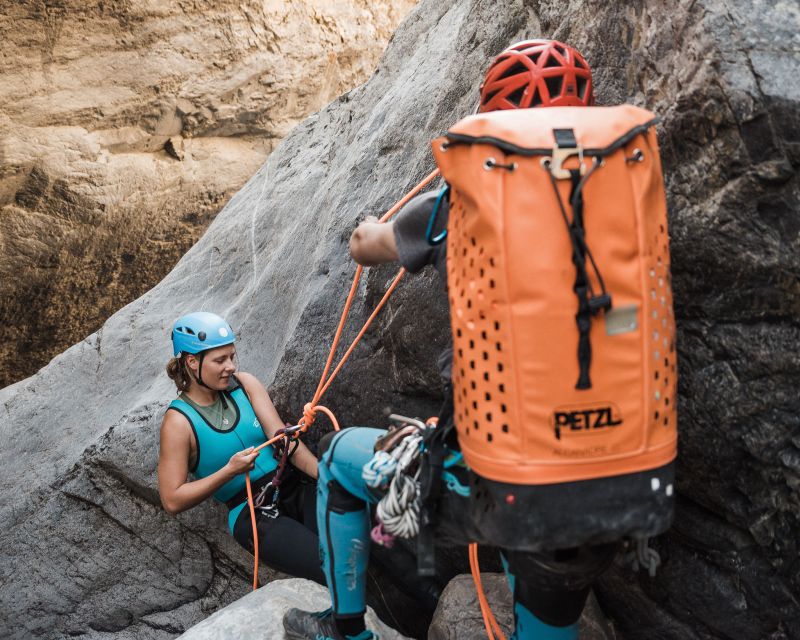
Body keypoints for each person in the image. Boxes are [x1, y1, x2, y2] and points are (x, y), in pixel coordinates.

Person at [283, 40, 617, 640]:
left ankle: (346, 631)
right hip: (598, 477)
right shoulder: (615, 204)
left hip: (488, 470)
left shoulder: (460, 203)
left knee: (336, 461)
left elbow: (366, 244)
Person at [157, 311, 325, 583]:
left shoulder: (245, 386)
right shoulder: (178, 423)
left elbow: (285, 443)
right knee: (324, 563)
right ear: (191, 362)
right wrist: (229, 471)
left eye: (232, 357)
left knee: (358, 541)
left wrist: (326, 475)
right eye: (220, 360)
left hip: (292, 486)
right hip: (252, 515)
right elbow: (172, 499)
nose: (231, 366)